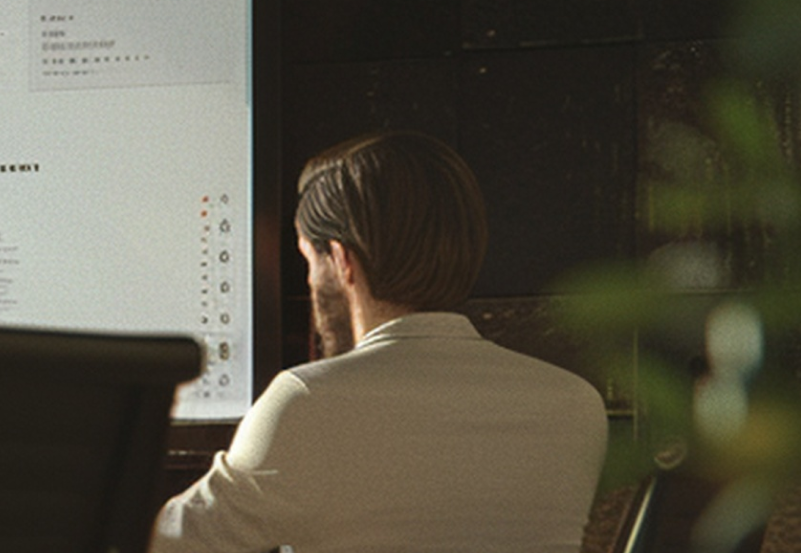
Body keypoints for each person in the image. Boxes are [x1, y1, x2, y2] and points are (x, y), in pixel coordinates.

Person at [152, 131, 607, 553]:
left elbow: (164, 546)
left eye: (309, 259)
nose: (310, 281)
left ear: (342, 260)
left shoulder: (309, 402)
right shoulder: (576, 404)